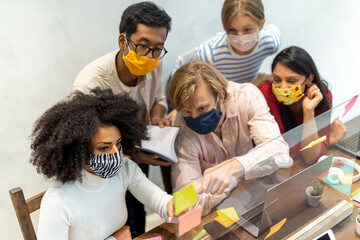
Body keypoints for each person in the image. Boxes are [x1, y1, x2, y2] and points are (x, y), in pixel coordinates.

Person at [72, 2, 172, 237]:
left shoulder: (154, 63)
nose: (151, 56)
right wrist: (131, 154)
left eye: (158, 48)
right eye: (143, 46)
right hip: (101, 169)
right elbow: (87, 148)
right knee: (117, 226)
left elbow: (159, 98)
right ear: (122, 41)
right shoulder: (91, 83)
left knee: (137, 219)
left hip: (138, 154)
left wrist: (157, 116)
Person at [31, 88, 174, 240]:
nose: (116, 153)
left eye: (118, 144)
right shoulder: (57, 201)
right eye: (104, 148)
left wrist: (179, 203)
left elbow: (161, 202)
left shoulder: (125, 169)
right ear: (80, 149)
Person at [167, 61, 289, 215]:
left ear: (221, 96)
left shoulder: (247, 97)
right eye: (187, 112)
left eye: (202, 108)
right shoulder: (182, 127)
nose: (195, 117)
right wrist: (235, 177)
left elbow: (279, 153)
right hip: (218, 209)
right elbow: (189, 203)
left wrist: (233, 167)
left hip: (253, 190)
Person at [167, 0, 281, 121]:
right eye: (232, 30)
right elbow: (181, 62)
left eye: (247, 30)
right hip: (180, 82)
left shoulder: (270, 43)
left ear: (261, 25)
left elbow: (274, 29)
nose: (240, 38)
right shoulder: (211, 53)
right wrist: (180, 106)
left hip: (235, 93)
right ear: (225, 28)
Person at [258, 46, 347, 164]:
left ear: (309, 79)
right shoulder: (265, 94)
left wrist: (308, 111)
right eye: (277, 79)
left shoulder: (320, 96)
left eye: (291, 81)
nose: (283, 87)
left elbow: (311, 157)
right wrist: (328, 140)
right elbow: (277, 153)